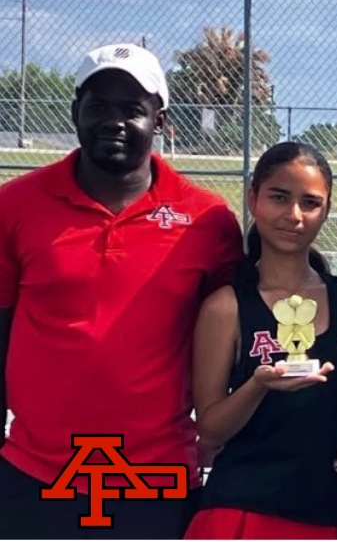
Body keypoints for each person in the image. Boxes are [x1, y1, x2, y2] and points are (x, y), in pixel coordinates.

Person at [0, 43, 244, 538]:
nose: (114, 121)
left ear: (160, 120)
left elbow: (243, 340)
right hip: (35, 471)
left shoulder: (207, 219)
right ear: (75, 114)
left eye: (132, 109)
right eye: (98, 107)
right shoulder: (15, 205)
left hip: (157, 475)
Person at [184, 142, 337, 539]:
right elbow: (211, 430)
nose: (294, 215)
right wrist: (258, 386)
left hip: (326, 513)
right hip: (242, 513)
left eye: (310, 202)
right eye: (279, 197)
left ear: (327, 210)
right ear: (253, 199)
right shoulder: (227, 307)